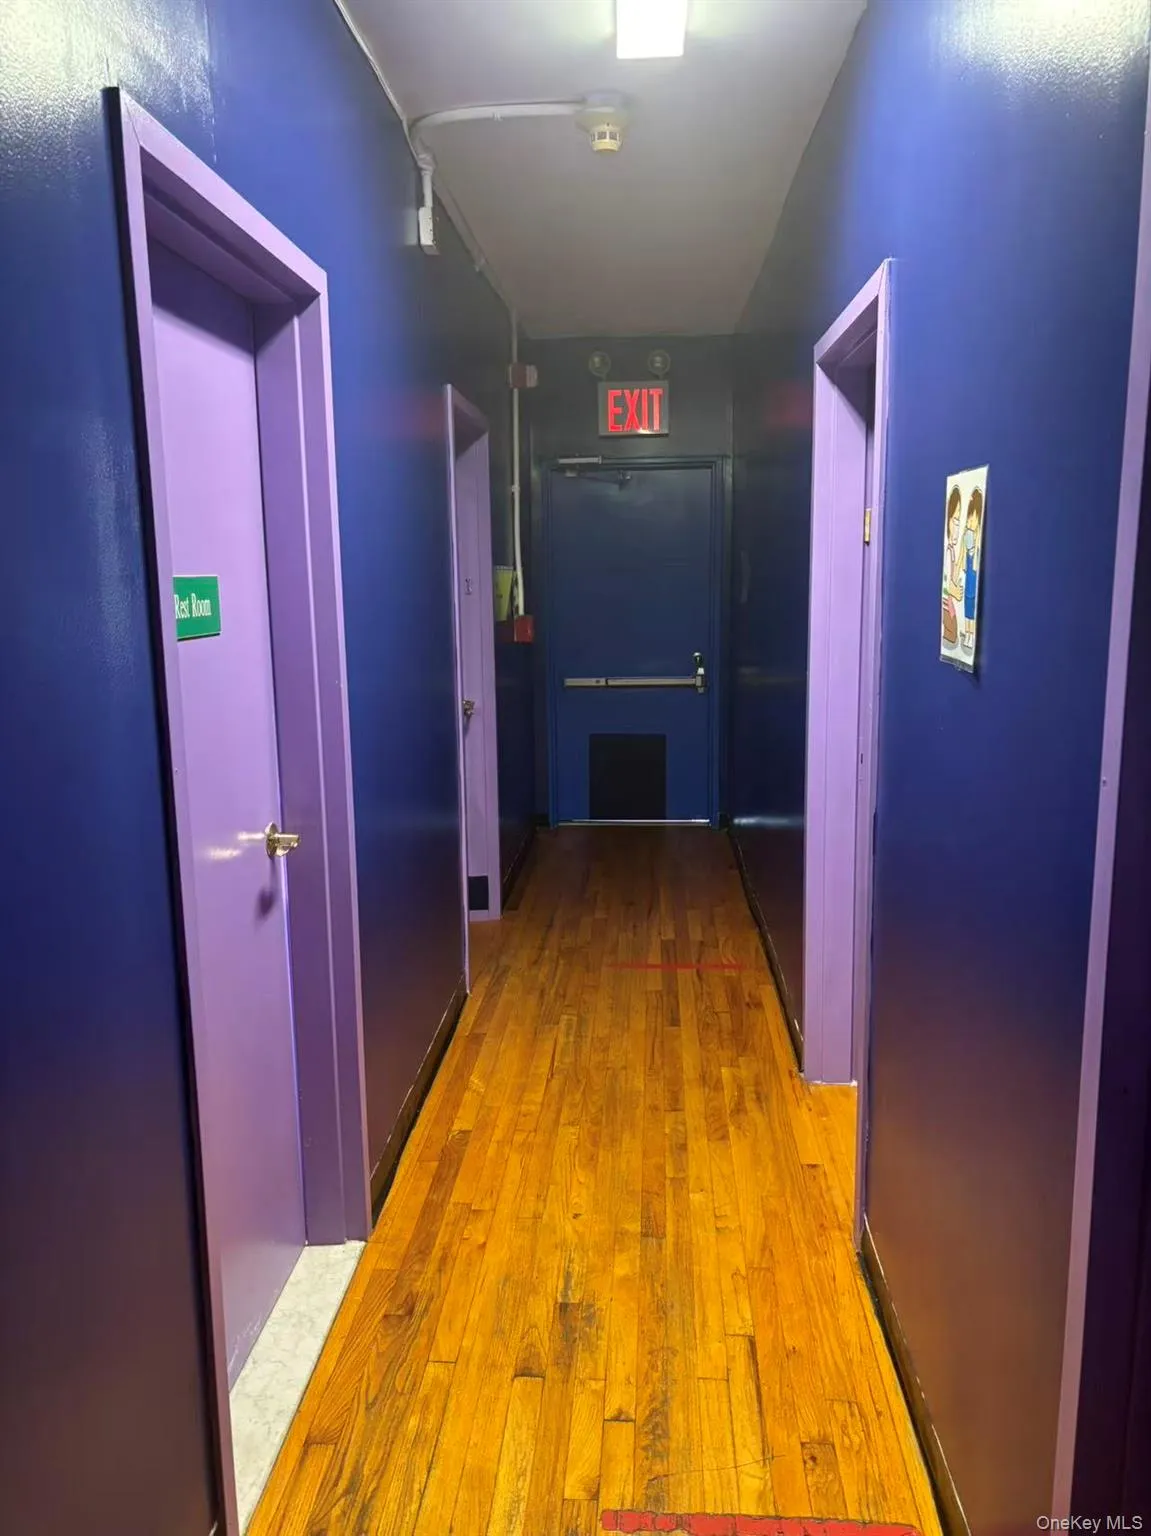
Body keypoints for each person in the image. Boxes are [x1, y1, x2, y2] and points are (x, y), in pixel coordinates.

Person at [961, 486, 983, 652]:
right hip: (968, 575)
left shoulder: (976, 545)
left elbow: (974, 563)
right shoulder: (966, 538)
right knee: (967, 606)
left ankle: (970, 634)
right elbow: (962, 558)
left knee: (971, 604)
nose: (969, 524)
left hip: (972, 577)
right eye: (968, 520)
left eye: (973, 521)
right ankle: (967, 633)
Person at [942, 484, 963, 649]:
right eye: (956, 520)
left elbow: (954, 575)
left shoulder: (953, 552)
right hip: (947, 603)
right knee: (951, 633)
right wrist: (954, 591)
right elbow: (948, 583)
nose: (958, 527)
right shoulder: (949, 552)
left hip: (950, 604)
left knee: (953, 634)